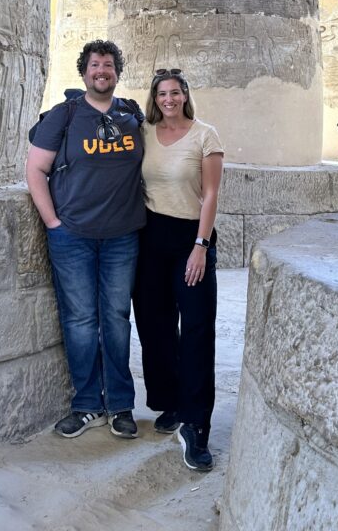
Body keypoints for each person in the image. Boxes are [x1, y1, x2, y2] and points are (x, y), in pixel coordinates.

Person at [26, 40, 145, 440]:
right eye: (95, 65)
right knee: (80, 321)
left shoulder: (130, 114)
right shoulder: (65, 114)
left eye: (108, 65)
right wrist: (53, 223)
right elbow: (35, 169)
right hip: (73, 235)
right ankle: (87, 404)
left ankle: (121, 404)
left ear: (116, 72)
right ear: (84, 71)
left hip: (122, 236)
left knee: (115, 319)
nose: (102, 71)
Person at [132, 69, 224, 472]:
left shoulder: (206, 135)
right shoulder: (145, 132)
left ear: (185, 95)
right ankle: (169, 402)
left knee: (198, 330)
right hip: (151, 236)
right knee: (154, 324)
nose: (168, 99)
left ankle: (196, 424)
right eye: (162, 93)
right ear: (155, 99)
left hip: (191, 237)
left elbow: (210, 194)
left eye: (175, 92)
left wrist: (200, 247)